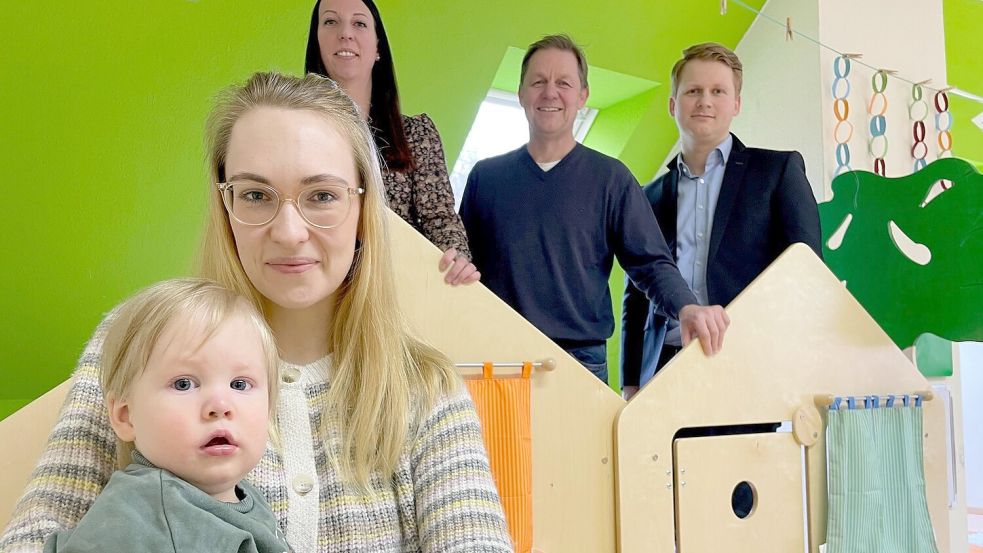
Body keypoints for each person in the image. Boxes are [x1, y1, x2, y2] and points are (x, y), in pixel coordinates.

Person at [1, 72, 512, 553]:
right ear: (225, 205)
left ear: (362, 208)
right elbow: (37, 532)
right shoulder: (143, 339)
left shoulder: (424, 388)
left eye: (322, 196)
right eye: (254, 194)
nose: (289, 232)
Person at [460, 34, 729, 385]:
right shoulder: (486, 177)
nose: (550, 92)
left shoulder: (612, 179)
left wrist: (686, 306)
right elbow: (461, 262)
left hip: (580, 362)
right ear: (522, 93)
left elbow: (649, 262)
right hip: (496, 358)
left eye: (564, 83)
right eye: (538, 82)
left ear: (583, 96)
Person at [621, 42, 822, 399]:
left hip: (748, 360)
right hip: (665, 364)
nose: (705, 101)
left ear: (736, 103)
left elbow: (805, 274)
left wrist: (796, 364)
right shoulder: (646, 196)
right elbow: (636, 294)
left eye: (718, 91)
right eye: (693, 91)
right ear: (672, 104)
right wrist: (631, 381)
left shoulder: (778, 171)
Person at [43, 278, 289, 553]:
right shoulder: (138, 511)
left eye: (240, 384)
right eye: (184, 384)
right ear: (126, 416)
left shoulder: (245, 497)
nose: (220, 405)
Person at [305, 0, 477, 285]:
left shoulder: (416, 133)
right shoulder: (296, 133)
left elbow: (439, 218)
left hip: (397, 291)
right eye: (331, 22)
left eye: (359, 23)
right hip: (318, 288)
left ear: (378, 48)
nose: (345, 33)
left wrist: (456, 257)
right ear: (317, 42)